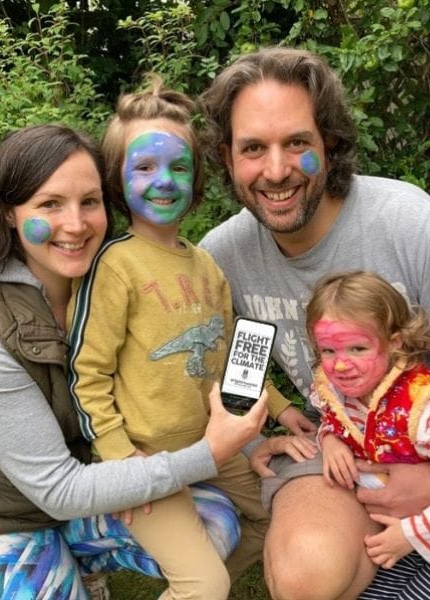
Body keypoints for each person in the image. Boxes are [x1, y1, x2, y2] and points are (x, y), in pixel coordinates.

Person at [197, 47, 430, 599]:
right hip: (340, 452)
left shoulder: (408, 224)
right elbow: (234, 374)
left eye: (297, 142)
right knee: (306, 573)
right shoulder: (225, 258)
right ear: (228, 158)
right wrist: (252, 445)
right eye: (254, 148)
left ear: (331, 144)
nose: (276, 170)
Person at [0, 123, 269, 599]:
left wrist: (238, 443)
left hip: (78, 497)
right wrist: (202, 456)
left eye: (89, 202)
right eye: (49, 204)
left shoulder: (112, 281)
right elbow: (58, 488)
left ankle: (76, 565)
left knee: (213, 524)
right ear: (8, 213)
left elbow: (186, 375)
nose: (75, 224)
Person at [65, 77, 311, 598]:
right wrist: (121, 462)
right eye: (145, 167)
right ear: (117, 178)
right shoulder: (115, 265)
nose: (165, 180)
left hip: (212, 449)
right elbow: (86, 373)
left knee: (275, 518)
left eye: (179, 166)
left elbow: (228, 365)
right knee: (206, 585)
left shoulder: (207, 265)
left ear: (197, 178)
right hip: (147, 464)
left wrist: (282, 408)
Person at [305, 271, 430, 599]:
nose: (341, 366)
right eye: (328, 351)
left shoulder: (428, 409)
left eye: (357, 348)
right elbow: (336, 421)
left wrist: (412, 534)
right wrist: (329, 440)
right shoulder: (342, 393)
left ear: (394, 342)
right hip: (398, 537)